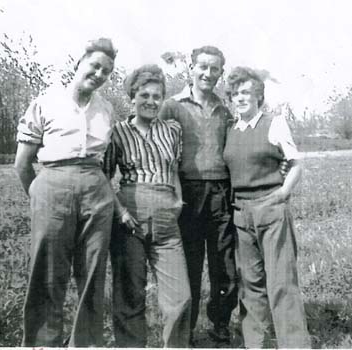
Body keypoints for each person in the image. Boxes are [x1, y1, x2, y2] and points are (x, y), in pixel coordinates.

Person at [14, 38, 117, 347]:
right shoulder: (47, 101)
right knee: (47, 268)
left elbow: (107, 161)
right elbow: (22, 163)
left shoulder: (106, 109)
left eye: (106, 71)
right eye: (95, 65)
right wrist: (39, 195)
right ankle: (42, 342)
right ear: (79, 63)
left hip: (95, 188)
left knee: (93, 268)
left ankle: (84, 343)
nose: (99, 74)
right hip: (52, 183)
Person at [223, 67, 311, 348]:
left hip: (271, 210)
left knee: (282, 282)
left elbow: (295, 164)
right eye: (235, 93)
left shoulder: (274, 123)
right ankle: (255, 344)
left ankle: (294, 344)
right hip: (241, 213)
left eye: (246, 92)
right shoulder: (230, 129)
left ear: (259, 95)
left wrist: (283, 193)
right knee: (250, 285)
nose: (240, 98)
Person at [105, 64, 191, 348]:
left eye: (157, 96)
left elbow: (174, 169)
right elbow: (103, 178)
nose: (151, 101)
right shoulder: (117, 132)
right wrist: (121, 212)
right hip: (130, 217)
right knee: (130, 293)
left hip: (167, 217)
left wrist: (177, 201)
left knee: (180, 297)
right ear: (132, 96)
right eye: (144, 95)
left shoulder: (172, 131)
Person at [159, 46, 237, 345]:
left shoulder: (225, 108)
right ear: (191, 67)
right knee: (188, 265)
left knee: (225, 264)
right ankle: (185, 329)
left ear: (220, 73)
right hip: (186, 192)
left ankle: (220, 323)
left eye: (214, 69)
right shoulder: (171, 106)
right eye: (202, 67)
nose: (208, 73)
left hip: (220, 191)